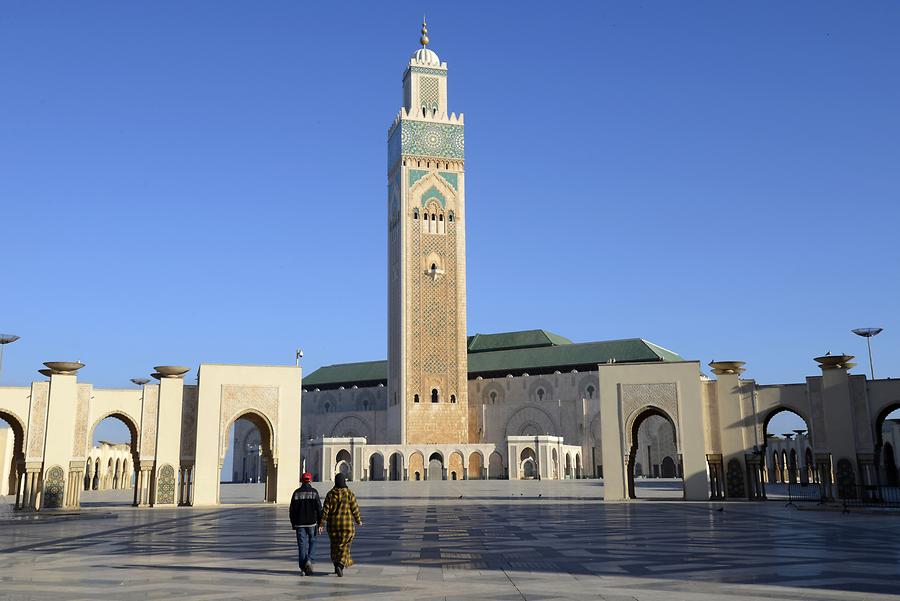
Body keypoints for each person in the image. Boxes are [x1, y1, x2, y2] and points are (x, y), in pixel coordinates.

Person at [317, 473, 362, 577]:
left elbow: (325, 511)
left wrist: (321, 524)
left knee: (334, 546)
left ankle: (336, 564)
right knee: (345, 545)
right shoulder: (349, 493)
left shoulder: (330, 494)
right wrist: (358, 520)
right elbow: (355, 508)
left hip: (333, 526)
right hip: (347, 526)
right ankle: (341, 564)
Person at [289, 472, 322, 576]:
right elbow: (319, 509)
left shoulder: (296, 493)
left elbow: (292, 510)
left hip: (299, 524)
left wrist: (293, 523)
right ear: (310, 480)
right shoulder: (314, 492)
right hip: (312, 523)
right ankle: (309, 560)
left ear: (301, 480)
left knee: (302, 545)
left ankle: (303, 568)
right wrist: (321, 523)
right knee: (313, 542)